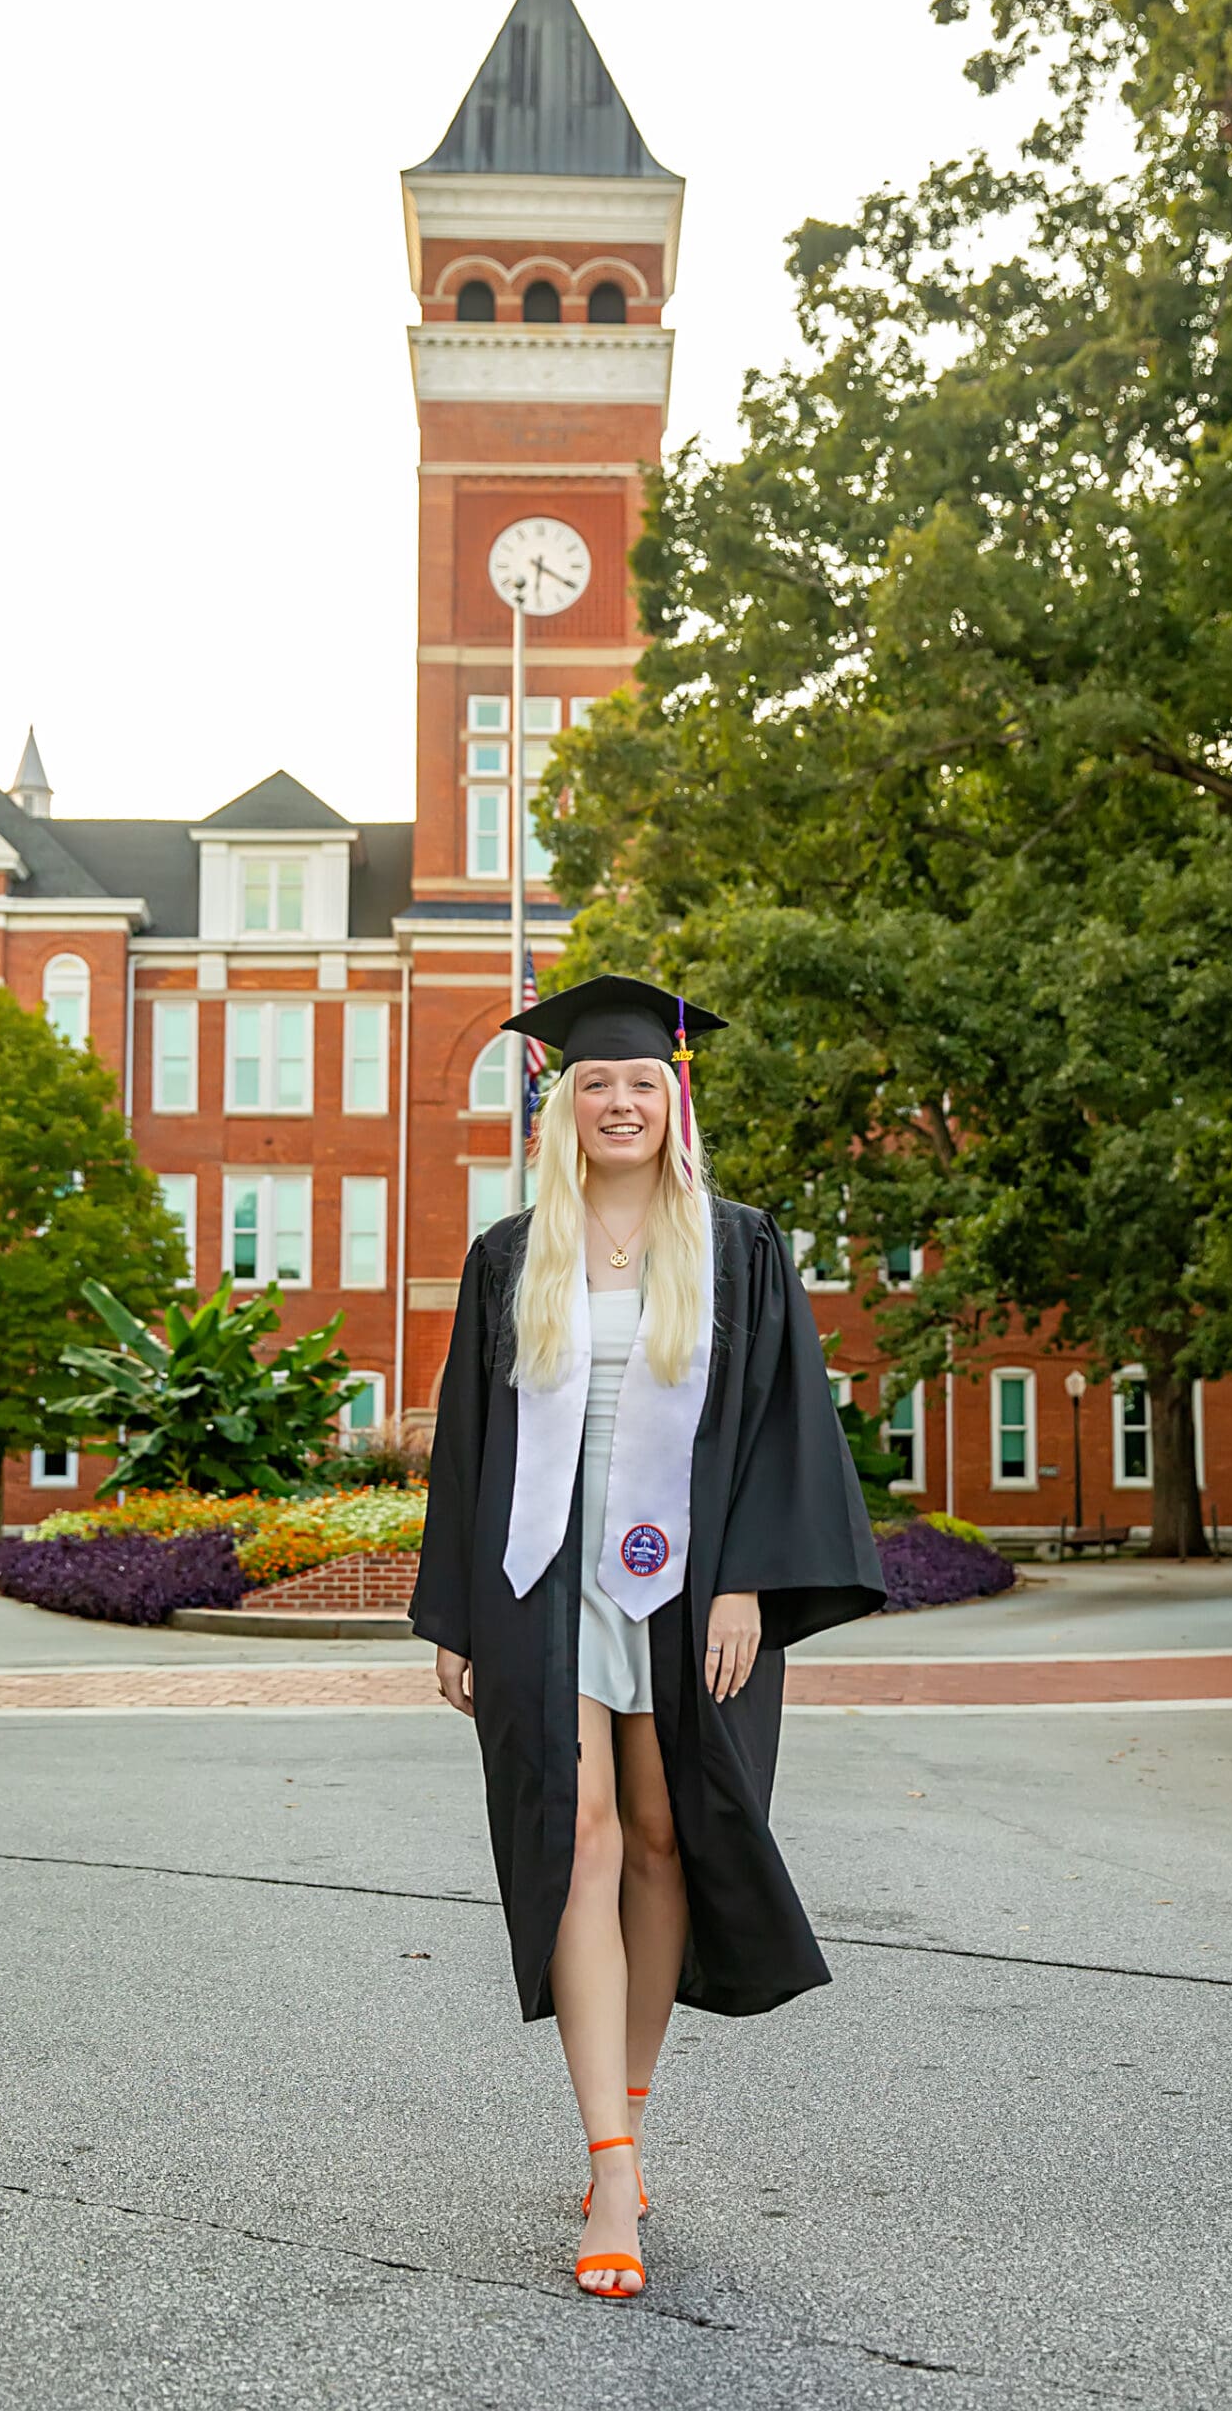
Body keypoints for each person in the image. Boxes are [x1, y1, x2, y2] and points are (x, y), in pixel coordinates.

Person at [409, 974, 886, 2300]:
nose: (620, 1103)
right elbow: (470, 1445)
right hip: (544, 1579)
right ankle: (610, 2165)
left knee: (667, 1833)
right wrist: (455, 1612)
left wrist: (749, 1588)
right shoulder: (511, 1256)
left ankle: (631, 2102)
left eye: (641, 1084)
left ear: (674, 1100)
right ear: (561, 1105)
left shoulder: (739, 1248)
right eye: (596, 1085)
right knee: (583, 1836)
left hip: (692, 1585)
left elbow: (784, 1428)